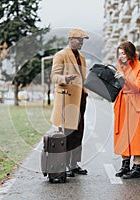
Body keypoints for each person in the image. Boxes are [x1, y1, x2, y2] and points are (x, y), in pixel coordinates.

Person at [50, 28, 89, 177]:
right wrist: (65, 79)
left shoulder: (82, 58)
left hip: (80, 98)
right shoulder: (61, 55)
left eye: (83, 40)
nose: (81, 42)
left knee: (79, 132)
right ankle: (63, 164)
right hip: (67, 98)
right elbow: (54, 76)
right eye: (79, 39)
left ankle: (74, 164)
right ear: (70, 39)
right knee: (66, 132)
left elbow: (83, 78)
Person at [113, 41, 140, 179]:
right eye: (119, 53)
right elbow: (117, 85)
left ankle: (137, 167)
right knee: (124, 134)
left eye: (123, 53)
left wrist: (125, 78)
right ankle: (125, 164)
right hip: (122, 103)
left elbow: (138, 87)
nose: (121, 56)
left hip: (135, 104)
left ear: (130, 52)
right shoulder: (120, 67)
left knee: (136, 135)